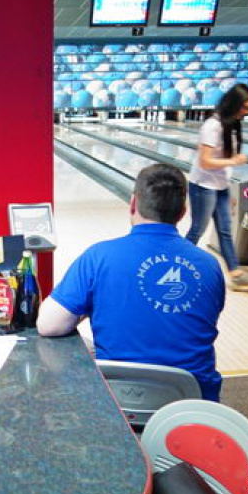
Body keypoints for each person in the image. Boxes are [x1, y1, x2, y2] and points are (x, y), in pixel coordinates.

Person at [37, 164, 226, 401]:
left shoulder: (99, 257)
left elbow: (48, 325)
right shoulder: (209, 265)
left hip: (120, 403)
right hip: (191, 406)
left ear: (133, 203)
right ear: (183, 212)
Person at [185, 83, 248, 287]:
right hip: (203, 186)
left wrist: (227, 191)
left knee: (225, 230)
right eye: (245, 107)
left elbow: (222, 164)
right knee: (198, 229)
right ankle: (177, 261)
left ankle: (235, 272)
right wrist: (234, 161)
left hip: (220, 187)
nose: (247, 112)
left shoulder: (231, 125)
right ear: (234, 104)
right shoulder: (212, 126)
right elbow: (205, 162)